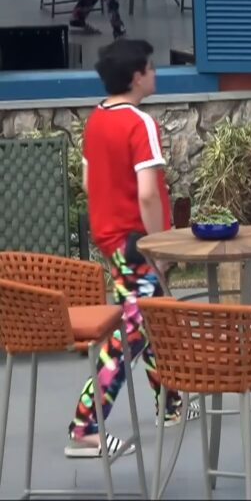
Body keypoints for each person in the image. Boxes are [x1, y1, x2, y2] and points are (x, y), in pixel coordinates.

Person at [66, 39, 195, 458]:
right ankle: (85, 427)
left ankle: (170, 404)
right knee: (131, 331)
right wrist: (159, 247)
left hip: (112, 239)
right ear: (137, 77)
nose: (156, 73)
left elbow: (89, 183)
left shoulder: (96, 119)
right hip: (137, 242)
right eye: (152, 68)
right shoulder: (140, 124)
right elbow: (148, 194)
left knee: (151, 318)